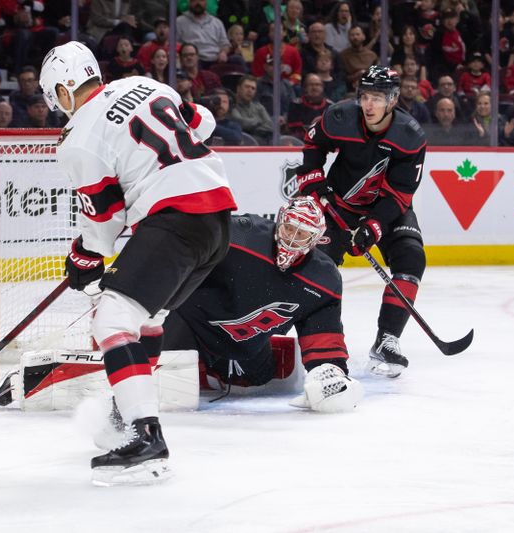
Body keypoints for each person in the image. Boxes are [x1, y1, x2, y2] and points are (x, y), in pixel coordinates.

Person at [39, 41, 236, 486]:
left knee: (111, 320)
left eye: (57, 99)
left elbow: (105, 219)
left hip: (177, 220)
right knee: (147, 318)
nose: (59, 111)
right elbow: (202, 122)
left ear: (65, 90)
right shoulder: (143, 84)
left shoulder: (78, 139)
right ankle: (128, 411)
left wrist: (84, 255)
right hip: (219, 221)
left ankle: (147, 437)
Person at [162, 196, 363, 412]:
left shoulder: (323, 279)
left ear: (315, 240)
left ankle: (213, 367)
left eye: (302, 234)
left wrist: (330, 370)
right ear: (279, 220)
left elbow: (323, 334)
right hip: (191, 322)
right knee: (175, 398)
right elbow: (180, 251)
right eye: (289, 228)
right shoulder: (241, 235)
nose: (292, 239)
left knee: (258, 379)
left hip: (243, 342)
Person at [293, 66, 426, 378]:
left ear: (393, 100)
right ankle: (322, 342)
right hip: (339, 204)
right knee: (319, 269)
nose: (368, 104)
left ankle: (387, 340)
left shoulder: (409, 136)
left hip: (386, 208)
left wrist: (374, 225)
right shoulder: (340, 117)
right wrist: (313, 179)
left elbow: (400, 194)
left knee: (411, 257)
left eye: (377, 98)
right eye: (365, 96)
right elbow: (314, 144)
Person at [176, 0, 231, 67]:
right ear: (189, 2)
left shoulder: (217, 22)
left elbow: (225, 43)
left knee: (237, 60)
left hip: (216, 59)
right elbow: (175, 43)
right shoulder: (179, 22)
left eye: (201, 0)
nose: (198, 3)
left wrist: (223, 52)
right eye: (194, 1)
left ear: (206, 2)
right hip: (194, 60)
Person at [230, 74, 273, 144]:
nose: (250, 90)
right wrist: (259, 121)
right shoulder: (231, 105)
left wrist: (252, 128)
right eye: (247, 87)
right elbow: (241, 123)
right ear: (238, 88)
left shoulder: (259, 107)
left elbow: (270, 126)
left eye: (253, 88)